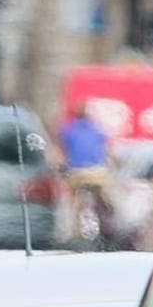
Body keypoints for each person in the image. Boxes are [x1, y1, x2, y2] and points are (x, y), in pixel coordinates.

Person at [58, 101, 113, 240]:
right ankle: (109, 224)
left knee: (73, 198)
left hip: (78, 173)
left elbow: (64, 152)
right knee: (103, 197)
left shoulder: (69, 130)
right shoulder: (98, 130)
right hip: (98, 173)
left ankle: (73, 230)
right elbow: (106, 151)